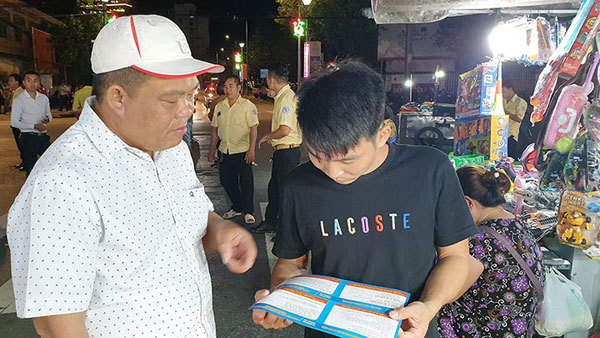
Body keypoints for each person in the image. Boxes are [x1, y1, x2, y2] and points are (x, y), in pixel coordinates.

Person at [8, 15, 257, 337]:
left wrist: (219, 230)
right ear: (118, 97)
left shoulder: (171, 148)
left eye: (190, 95)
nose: (187, 110)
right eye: (171, 99)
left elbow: (183, 220)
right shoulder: (63, 182)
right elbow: (58, 326)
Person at [252, 61, 478, 337]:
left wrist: (428, 307)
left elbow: (455, 257)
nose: (334, 173)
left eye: (348, 159)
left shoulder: (431, 169)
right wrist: (283, 298)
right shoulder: (299, 185)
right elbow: (290, 264)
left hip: (408, 329)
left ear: (383, 134)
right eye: (317, 156)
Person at [438, 165, 544, 337]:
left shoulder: (479, 242)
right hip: (520, 331)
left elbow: (448, 294)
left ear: (467, 203)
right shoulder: (518, 225)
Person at [252, 62, 303, 233]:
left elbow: (284, 130)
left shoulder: (286, 99)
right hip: (283, 152)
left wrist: (267, 136)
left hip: (288, 152)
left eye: (268, 79)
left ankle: (286, 231)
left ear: (271, 79)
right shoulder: (282, 96)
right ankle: (271, 222)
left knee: (284, 193)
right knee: (274, 189)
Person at [208, 74, 259, 224]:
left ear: (238, 88)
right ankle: (237, 206)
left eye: (231, 86)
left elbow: (253, 129)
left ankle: (248, 211)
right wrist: (212, 150)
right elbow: (215, 131)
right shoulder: (220, 106)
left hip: (242, 151)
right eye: (225, 86)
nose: (228, 89)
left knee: (246, 182)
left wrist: (252, 150)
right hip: (225, 150)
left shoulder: (248, 106)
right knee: (226, 181)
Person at [10, 71, 52, 176]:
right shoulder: (19, 101)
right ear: (24, 82)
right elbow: (14, 122)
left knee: (52, 162)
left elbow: (49, 115)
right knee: (31, 170)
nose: (32, 84)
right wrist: (34, 126)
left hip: (42, 137)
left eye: (35, 81)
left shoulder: (44, 98)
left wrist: (47, 119)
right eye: (29, 81)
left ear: (39, 83)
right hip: (28, 138)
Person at [502, 80, 528, 159]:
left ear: (510, 89)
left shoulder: (520, 102)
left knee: (509, 158)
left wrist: (505, 113)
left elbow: (519, 119)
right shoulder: (501, 100)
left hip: (511, 136)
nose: (503, 94)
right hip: (499, 134)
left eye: (504, 92)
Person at [8, 73, 25, 169]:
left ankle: (27, 163)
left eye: (11, 81)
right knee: (21, 144)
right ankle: (24, 162)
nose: (9, 83)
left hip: (19, 123)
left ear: (17, 82)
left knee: (22, 144)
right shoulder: (17, 92)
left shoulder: (19, 92)